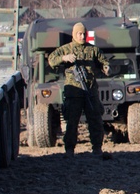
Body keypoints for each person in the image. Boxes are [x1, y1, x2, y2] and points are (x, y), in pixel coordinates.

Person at [47, 22, 111, 158]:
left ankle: (97, 148)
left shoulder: (93, 50)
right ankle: (69, 149)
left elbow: (103, 62)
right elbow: (51, 60)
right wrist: (64, 58)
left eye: (84, 34)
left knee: (96, 121)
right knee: (72, 122)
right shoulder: (66, 49)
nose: (82, 36)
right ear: (74, 35)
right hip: (74, 92)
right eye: (79, 34)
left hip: (90, 91)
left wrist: (106, 68)